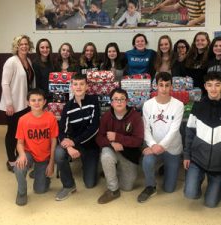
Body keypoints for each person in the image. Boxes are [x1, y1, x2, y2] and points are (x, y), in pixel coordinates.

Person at [183, 72, 221, 208]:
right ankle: (198, 178)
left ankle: (219, 182)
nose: (213, 89)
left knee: (210, 203)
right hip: (198, 160)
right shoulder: (197, 107)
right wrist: (187, 155)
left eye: (217, 85)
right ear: (205, 87)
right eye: (209, 85)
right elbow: (190, 132)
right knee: (190, 194)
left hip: (219, 165)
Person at [137, 72, 184, 203]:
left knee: (169, 189)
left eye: (167, 85)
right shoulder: (148, 104)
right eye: (161, 85)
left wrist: (160, 147)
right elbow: (145, 128)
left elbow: (174, 130)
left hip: (172, 147)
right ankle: (150, 186)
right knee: (147, 161)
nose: (164, 89)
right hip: (154, 145)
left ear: (171, 87)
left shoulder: (178, 105)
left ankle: (165, 166)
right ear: (156, 86)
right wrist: (153, 145)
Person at [54, 73, 100, 201]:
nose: (78, 87)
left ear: (87, 86)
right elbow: (61, 131)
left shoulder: (93, 101)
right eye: (75, 84)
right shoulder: (67, 107)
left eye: (81, 84)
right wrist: (68, 147)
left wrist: (73, 142)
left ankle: (87, 163)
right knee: (58, 153)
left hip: (91, 145)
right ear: (71, 87)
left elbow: (94, 128)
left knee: (90, 184)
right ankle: (69, 185)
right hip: (74, 144)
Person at [96, 88, 144, 204]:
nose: (119, 102)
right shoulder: (106, 116)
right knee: (106, 156)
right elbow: (99, 138)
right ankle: (113, 190)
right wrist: (112, 143)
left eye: (122, 99)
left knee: (127, 187)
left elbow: (138, 141)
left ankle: (112, 171)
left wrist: (118, 138)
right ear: (111, 102)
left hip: (129, 154)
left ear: (127, 101)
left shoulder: (135, 117)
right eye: (116, 99)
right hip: (112, 149)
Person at [14, 88, 58, 206]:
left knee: (40, 190)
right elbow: (19, 143)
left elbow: (54, 141)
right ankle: (22, 192)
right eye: (33, 100)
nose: (36, 103)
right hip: (29, 153)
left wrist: (51, 163)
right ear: (28, 103)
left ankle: (40, 173)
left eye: (39, 100)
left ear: (44, 102)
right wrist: (22, 155)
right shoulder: (23, 120)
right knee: (18, 166)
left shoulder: (51, 118)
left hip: (44, 156)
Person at [0, 35, 35, 172]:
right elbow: (5, 83)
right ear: (16, 46)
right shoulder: (11, 61)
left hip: (25, 104)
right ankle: (11, 160)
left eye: (26, 44)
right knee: (12, 132)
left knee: (22, 133)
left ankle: (21, 155)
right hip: (13, 105)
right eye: (21, 44)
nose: (24, 46)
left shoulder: (28, 61)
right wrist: (9, 104)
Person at [33, 38, 55, 103]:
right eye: (42, 47)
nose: (45, 49)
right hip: (42, 98)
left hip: (54, 97)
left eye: (47, 47)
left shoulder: (53, 62)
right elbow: (37, 85)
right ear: (38, 49)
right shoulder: (35, 64)